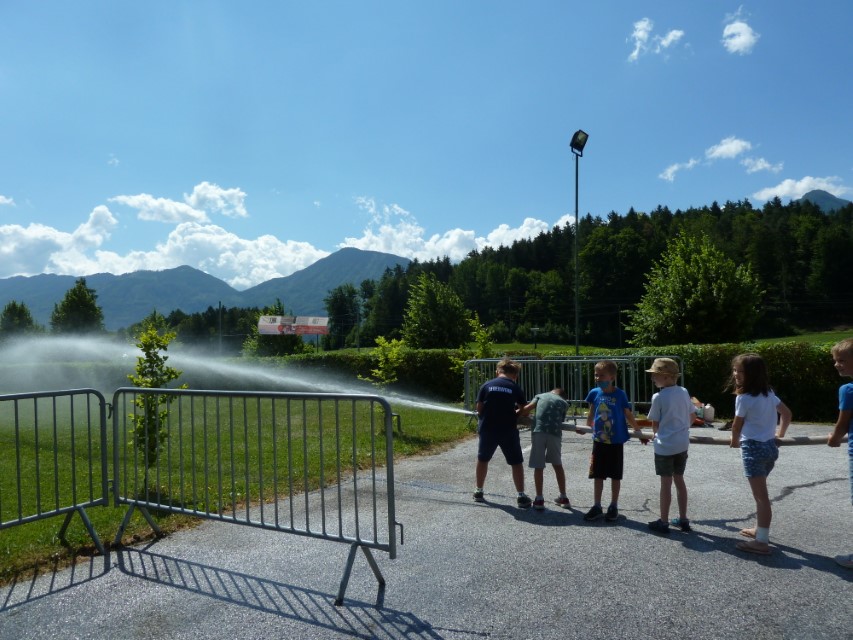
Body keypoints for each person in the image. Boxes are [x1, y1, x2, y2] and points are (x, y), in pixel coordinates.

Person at [727, 353, 792, 555]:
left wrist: (734, 441)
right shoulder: (769, 393)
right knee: (760, 495)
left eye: (741, 371)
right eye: (735, 370)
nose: (736, 374)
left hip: (753, 449)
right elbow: (787, 413)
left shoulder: (743, 398)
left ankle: (762, 542)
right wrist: (780, 434)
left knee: (761, 497)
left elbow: (736, 425)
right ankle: (759, 529)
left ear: (753, 374)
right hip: (770, 449)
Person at [583, 360, 642, 522]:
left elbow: (627, 413)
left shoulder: (619, 394)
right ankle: (597, 505)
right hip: (599, 441)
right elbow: (592, 411)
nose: (598, 378)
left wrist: (637, 430)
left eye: (602, 375)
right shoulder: (594, 393)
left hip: (616, 441)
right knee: (598, 474)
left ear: (612, 377)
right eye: (596, 375)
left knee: (615, 475)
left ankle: (613, 505)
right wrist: (587, 426)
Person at [644, 358, 696, 535]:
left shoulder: (658, 397)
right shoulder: (683, 391)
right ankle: (683, 519)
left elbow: (655, 423)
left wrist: (656, 434)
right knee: (679, 480)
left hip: (665, 446)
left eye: (655, 375)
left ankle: (664, 521)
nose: (653, 378)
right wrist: (684, 429)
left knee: (665, 483)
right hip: (682, 444)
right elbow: (692, 415)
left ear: (665, 377)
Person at [473, 358, 533, 508]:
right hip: (508, 430)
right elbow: (524, 410)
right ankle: (521, 496)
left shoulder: (487, 385)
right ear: (515, 375)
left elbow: (479, 408)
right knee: (516, 462)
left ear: (497, 372)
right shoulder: (515, 387)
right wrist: (515, 413)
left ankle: (479, 491)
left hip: (488, 429)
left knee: (483, 459)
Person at [827, 337, 853, 569]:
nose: (837, 365)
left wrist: (834, 439)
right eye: (836, 360)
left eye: (842, 360)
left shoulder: (848, 390)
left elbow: (842, 424)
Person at [523, 388, 571, 510]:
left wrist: (517, 413)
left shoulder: (541, 396)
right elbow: (560, 420)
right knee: (557, 465)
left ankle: (539, 499)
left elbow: (527, 408)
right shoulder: (564, 403)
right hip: (555, 434)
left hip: (539, 431)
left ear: (552, 391)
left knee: (538, 466)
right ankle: (564, 497)